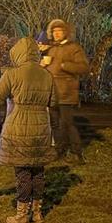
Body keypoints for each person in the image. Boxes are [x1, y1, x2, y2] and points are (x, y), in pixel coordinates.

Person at [0, 38, 58, 223]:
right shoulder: (47, 75)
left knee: (22, 172)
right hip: (41, 128)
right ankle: (37, 212)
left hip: (18, 127)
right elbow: (53, 103)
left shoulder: (12, 74)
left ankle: (22, 214)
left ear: (18, 54)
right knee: (38, 171)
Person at [42, 19, 89, 164]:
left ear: (65, 32)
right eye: (54, 32)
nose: (56, 34)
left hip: (66, 93)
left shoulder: (74, 48)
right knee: (55, 124)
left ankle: (77, 153)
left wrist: (65, 65)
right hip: (52, 92)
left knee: (67, 123)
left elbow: (84, 68)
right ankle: (59, 150)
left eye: (59, 31)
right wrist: (43, 65)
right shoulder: (51, 49)